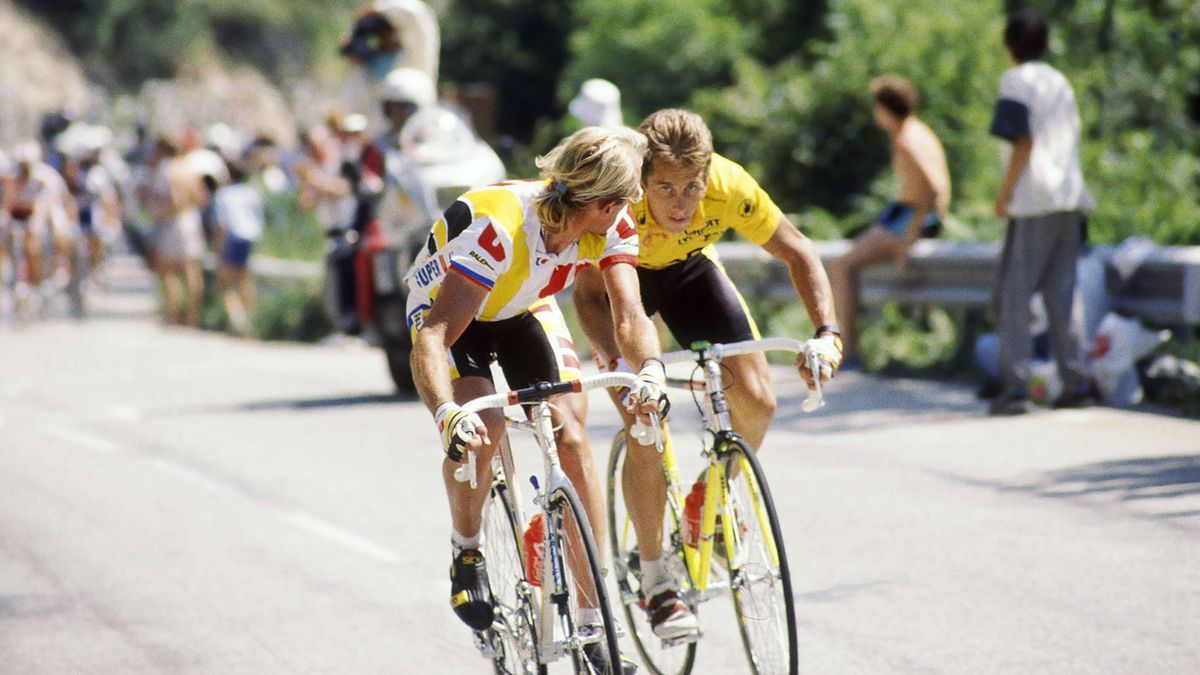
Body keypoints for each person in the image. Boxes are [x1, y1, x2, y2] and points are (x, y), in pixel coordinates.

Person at [571, 108, 842, 640]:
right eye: (665, 188)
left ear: (708, 171)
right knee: (645, 421)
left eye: (692, 187)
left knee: (760, 402)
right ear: (642, 179)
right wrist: (611, 357)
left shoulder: (728, 185)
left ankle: (707, 507)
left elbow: (798, 250)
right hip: (618, 286)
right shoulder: (619, 201)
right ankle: (656, 583)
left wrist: (827, 332)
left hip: (690, 272)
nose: (681, 203)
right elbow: (586, 296)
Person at [407, 126, 667, 672]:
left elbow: (628, 313)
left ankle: (597, 620)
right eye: (623, 201)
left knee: (570, 436)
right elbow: (434, 337)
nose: (630, 212)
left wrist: (652, 371)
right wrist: (447, 413)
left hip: (523, 304)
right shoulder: (499, 229)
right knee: (488, 426)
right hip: (454, 312)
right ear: (597, 201)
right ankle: (467, 548)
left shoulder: (610, 222)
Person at [988, 10, 1095, 415]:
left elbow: (1022, 141)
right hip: (1069, 199)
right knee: (1061, 295)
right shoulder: (1059, 81)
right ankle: (1076, 382)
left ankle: (1015, 387)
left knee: (1013, 296)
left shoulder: (1016, 80)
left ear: (1010, 45)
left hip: (1033, 201)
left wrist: (1004, 194)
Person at [830, 75, 952, 367]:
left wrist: (909, 238)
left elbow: (934, 187)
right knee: (847, 261)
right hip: (904, 212)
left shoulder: (907, 140)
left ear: (886, 109)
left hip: (910, 215)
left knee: (841, 266)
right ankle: (854, 346)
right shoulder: (918, 130)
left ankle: (851, 352)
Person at [339, 0, 440, 137]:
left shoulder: (415, 56)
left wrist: (378, 8)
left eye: (387, 28)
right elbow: (354, 116)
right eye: (378, 31)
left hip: (420, 137)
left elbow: (418, 15)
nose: (383, 35)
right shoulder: (364, 71)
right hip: (382, 147)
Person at [142, 136, 208, 327]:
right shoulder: (189, 168)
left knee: (168, 270)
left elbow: (175, 200)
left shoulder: (166, 170)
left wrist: (161, 213)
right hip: (191, 220)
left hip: (172, 221)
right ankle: (193, 316)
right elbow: (201, 197)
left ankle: (173, 315)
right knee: (191, 269)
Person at [212, 157, 264, 336]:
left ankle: (238, 320)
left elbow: (222, 224)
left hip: (233, 237)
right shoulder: (250, 191)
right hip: (251, 236)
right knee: (244, 277)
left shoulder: (224, 194)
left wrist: (218, 248)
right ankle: (251, 316)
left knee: (225, 282)